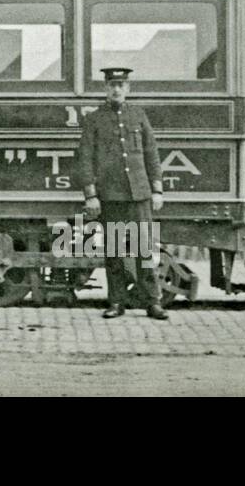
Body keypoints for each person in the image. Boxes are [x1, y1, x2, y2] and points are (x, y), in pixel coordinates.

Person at [76, 66, 168, 320]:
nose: (116, 89)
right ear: (105, 89)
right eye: (112, 85)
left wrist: (157, 189)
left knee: (145, 250)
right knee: (115, 252)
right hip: (111, 194)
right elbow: (85, 159)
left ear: (127, 88)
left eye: (121, 85)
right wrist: (91, 195)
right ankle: (116, 302)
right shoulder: (95, 119)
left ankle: (153, 302)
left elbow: (152, 154)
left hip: (140, 193)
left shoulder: (138, 115)